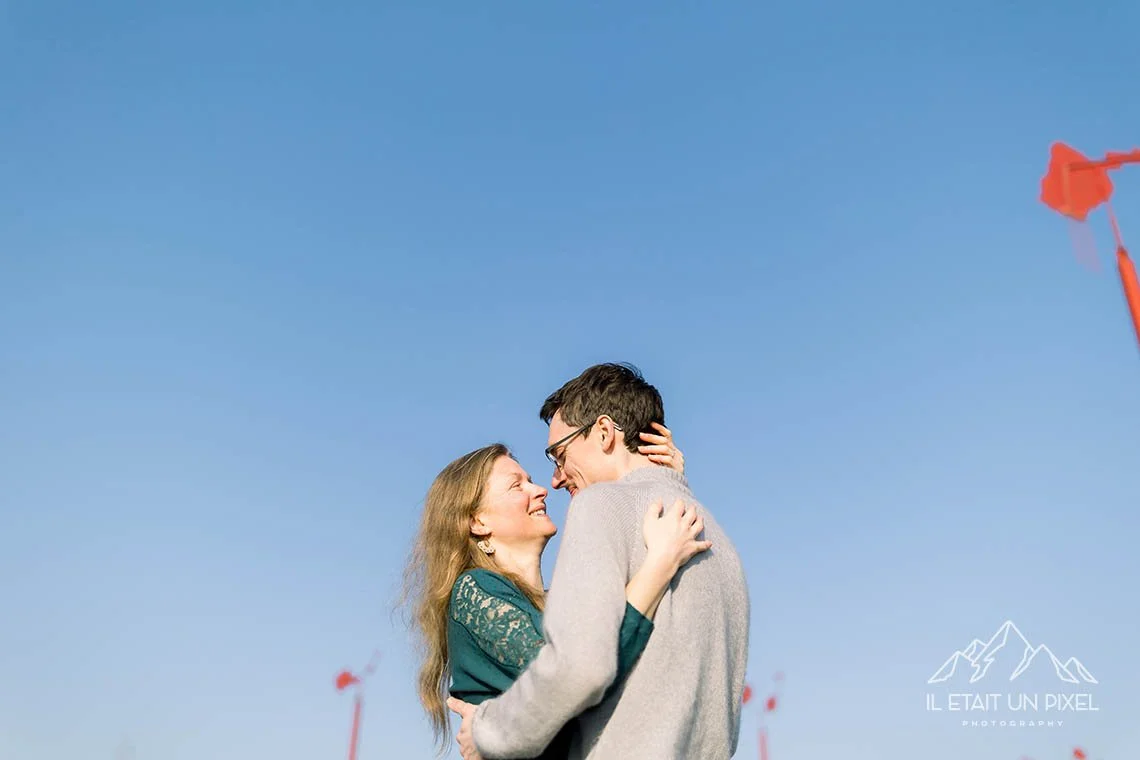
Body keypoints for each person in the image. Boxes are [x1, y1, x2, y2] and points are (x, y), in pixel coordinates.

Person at [448, 363, 750, 760]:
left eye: (559, 454)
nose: (552, 481)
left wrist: (485, 731)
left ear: (605, 432)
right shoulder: (717, 538)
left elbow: (578, 668)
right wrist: (671, 485)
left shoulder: (600, 505)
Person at [402, 422, 708, 759]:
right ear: (478, 522)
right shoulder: (475, 590)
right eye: (516, 486)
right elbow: (573, 676)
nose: (540, 490)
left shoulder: (559, 604)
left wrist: (664, 480)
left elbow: (637, 624)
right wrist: (660, 564)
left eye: (530, 480)